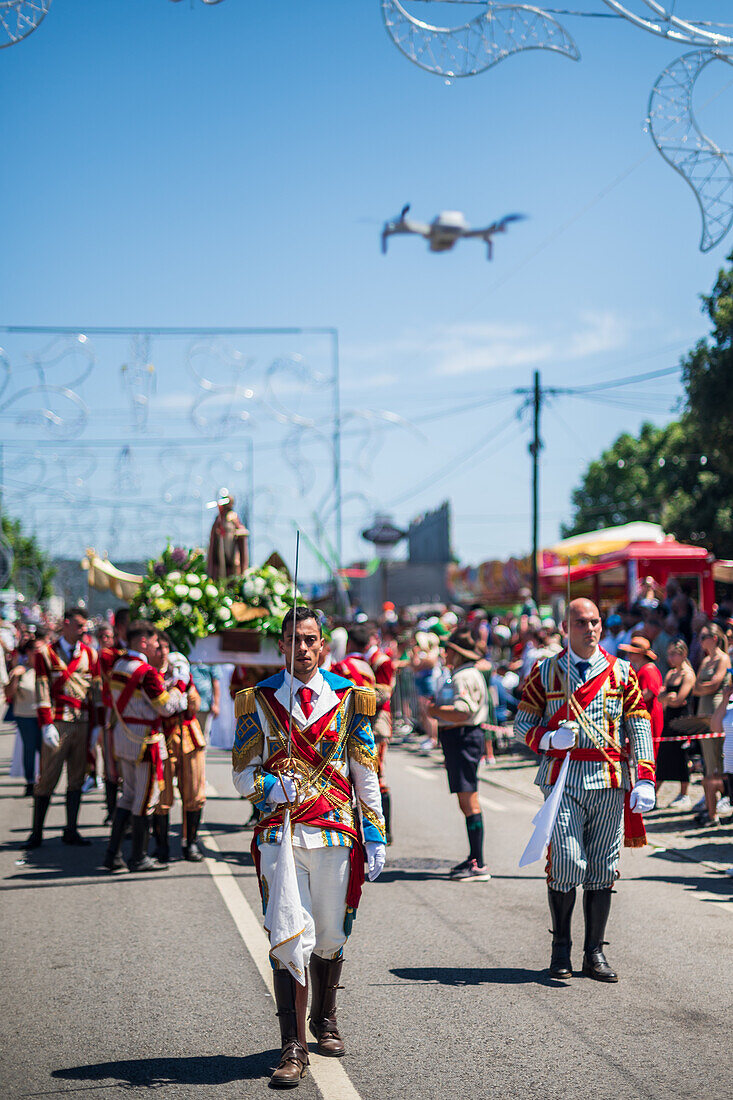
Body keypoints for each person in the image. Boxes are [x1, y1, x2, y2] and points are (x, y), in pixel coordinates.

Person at [231, 606, 386, 1089]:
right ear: (280, 645)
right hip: (280, 835)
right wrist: (271, 788)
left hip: (336, 832)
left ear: (323, 645)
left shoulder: (350, 699)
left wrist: (377, 832)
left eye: (311, 639)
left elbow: (365, 769)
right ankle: (292, 1046)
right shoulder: (256, 700)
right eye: (294, 639)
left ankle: (325, 1016)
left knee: (330, 934)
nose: (302, 647)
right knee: (288, 934)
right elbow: (240, 774)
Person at [514, 598, 655, 983]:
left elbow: (638, 725)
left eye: (594, 622)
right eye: (580, 622)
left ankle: (594, 952)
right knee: (565, 861)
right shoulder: (546, 672)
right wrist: (547, 739)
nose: (590, 628)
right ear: (565, 627)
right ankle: (560, 948)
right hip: (563, 777)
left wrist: (645, 776)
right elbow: (521, 723)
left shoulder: (622, 672)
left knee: (603, 867)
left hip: (609, 777)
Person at [103, 621, 186, 873]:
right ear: (142, 642)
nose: (155, 646)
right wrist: (180, 688)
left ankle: (113, 854)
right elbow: (166, 707)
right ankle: (138, 857)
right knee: (145, 800)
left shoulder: (119, 665)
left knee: (127, 796)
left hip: (124, 737)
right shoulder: (146, 672)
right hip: (144, 741)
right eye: (152, 642)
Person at [26, 608, 104, 850]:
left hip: (82, 722)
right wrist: (46, 723)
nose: (84, 630)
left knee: (77, 778)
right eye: (79, 625)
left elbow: (97, 694)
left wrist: (96, 726)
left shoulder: (90, 655)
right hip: (58, 723)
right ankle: (36, 833)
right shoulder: (46, 654)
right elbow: (42, 691)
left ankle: (71, 829)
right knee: (48, 777)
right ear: (67, 624)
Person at [428, 627, 491, 883]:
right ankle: (474, 857)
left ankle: (478, 862)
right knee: (466, 801)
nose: (445, 654)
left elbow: (463, 711)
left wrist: (436, 711)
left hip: (463, 737)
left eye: (449, 650)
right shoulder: (462, 673)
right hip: (460, 739)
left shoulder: (464, 676)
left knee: (469, 801)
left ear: (456, 652)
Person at [151, 632, 206, 863]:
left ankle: (190, 843)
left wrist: (186, 687)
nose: (162, 652)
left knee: (194, 791)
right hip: (161, 736)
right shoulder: (149, 675)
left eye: (165, 647)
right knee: (161, 795)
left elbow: (194, 704)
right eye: (157, 647)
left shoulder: (181, 672)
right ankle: (162, 846)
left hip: (187, 735)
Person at [692, 623, 731, 826]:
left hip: (716, 712)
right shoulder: (706, 660)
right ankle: (710, 810)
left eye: (704, 636)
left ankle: (717, 809)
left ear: (714, 638)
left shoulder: (723, 658)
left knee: (717, 761)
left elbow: (715, 684)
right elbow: (696, 687)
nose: (700, 640)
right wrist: (701, 688)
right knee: (707, 763)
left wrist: (701, 687)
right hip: (703, 710)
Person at [365, 625, 395, 845]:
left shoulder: (382, 661)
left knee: (377, 774)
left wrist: (355, 696)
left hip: (377, 722)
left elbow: (383, 695)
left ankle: (385, 830)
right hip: (364, 720)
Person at [656, 639, 696, 809]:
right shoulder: (671, 673)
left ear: (683, 654)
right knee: (664, 756)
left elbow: (679, 699)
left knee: (681, 756)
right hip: (669, 719)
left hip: (683, 721)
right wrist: (668, 698)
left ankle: (684, 793)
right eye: (669, 654)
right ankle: (655, 793)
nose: (670, 658)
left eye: (674, 654)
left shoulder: (688, 674)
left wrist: (669, 698)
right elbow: (661, 697)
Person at [5, 636, 42, 796]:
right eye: (36, 651)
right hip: (25, 715)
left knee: (46, 750)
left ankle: (44, 780)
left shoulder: (46, 669)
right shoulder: (21, 671)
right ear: (28, 652)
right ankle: (30, 781)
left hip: (44, 715)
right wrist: (14, 677)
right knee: (30, 748)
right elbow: (8, 694)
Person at [617, 636, 664, 760]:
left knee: (649, 751)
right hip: (645, 713)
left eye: (632, 652)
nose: (629, 655)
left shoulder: (648, 669)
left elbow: (649, 693)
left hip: (650, 714)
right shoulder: (643, 669)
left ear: (641, 654)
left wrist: (628, 698)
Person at [206, 487, 249, 580]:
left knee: (234, 564)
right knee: (221, 564)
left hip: (232, 545)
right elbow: (214, 533)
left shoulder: (234, 517)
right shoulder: (219, 518)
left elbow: (240, 528)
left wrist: (239, 532)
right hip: (221, 544)